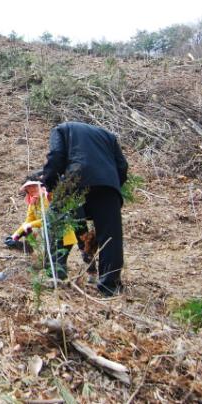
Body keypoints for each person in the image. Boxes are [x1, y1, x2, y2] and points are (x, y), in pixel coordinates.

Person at [40, 121, 128, 296]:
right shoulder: (108, 135)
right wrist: (111, 184)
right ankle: (109, 285)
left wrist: (48, 183)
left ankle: (55, 274)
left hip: (75, 179)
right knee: (110, 236)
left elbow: (56, 156)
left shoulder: (61, 129)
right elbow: (122, 166)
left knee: (58, 224)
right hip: (107, 185)